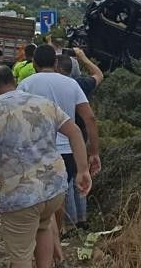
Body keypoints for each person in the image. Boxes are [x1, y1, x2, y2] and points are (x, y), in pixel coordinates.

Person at [0, 65, 92, 268]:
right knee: (43, 227)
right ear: (14, 82)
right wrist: (82, 170)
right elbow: (75, 132)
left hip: (21, 197)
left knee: (20, 256)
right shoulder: (45, 104)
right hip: (53, 189)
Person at [18, 45, 101, 250]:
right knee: (62, 192)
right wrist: (94, 151)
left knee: (42, 195)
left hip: (38, 150)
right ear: (55, 63)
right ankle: (59, 233)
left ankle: (48, 236)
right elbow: (89, 117)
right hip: (69, 149)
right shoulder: (71, 84)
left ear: (34, 64)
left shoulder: (25, 84)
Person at [56, 49, 103, 231]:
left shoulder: (62, 85)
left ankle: (69, 223)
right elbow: (98, 74)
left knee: (66, 181)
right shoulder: (82, 83)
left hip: (65, 136)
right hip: (82, 136)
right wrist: (84, 58)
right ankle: (82, 220)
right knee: (80, 177)